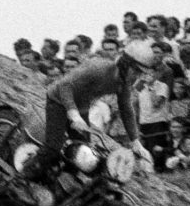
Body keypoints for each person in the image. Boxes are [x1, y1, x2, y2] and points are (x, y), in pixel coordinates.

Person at [20, 42, 155, 180]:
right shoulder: (98, 68)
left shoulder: (124, 82)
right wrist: (73, 114)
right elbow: (64, 86)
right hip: (58, 101)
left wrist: (135, 141)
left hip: (81, 108)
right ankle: (22, 177)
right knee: (53, 147)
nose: (137, 76)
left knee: (84, 152)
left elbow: (126, 108)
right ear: (126, 64)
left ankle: (61, 182)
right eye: (136, 71)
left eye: (140, 73)